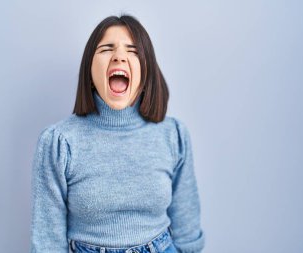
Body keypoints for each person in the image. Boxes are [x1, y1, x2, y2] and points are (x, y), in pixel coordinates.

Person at [30, 14, 205, 253]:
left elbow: (187, 229)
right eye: (107, 49)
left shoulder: (173, 134)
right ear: (90, 71)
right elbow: (47, 241)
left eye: (132, 50)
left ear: (145, 72)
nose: (119, 56)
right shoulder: (59, 142)